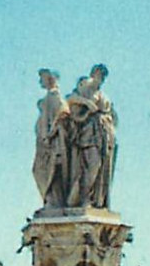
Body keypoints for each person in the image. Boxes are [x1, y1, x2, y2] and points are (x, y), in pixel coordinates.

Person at [63, 64, 117, 207]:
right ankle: (83, 199)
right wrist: (87, 103)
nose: (100, 78)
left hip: (104, 134)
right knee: (92, 166)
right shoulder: (86, 87)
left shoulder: (103, 95)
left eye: (103, 76)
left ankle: (95, 201)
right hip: (89, 133)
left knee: (101, 170)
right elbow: (69, 99)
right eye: (98, 74)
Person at [32, 69, 69, 207]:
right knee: (43, 170)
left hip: (51, 144)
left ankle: (54, 201)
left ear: (50, 79)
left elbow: (64, 112)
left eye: (42, 78)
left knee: (49, 170)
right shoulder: (49, 97)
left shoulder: (54, 96)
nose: (40, 81)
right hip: (45, 145)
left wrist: (50, 133)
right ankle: (51, 200)